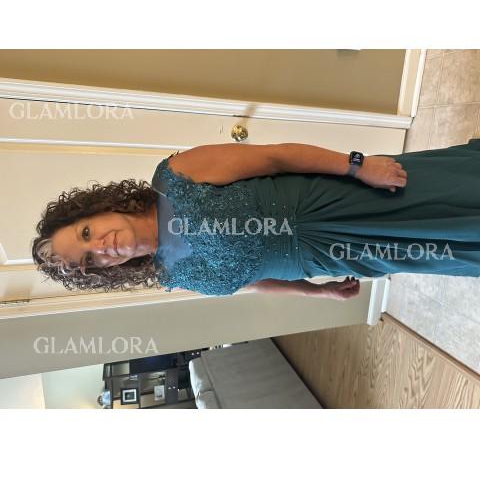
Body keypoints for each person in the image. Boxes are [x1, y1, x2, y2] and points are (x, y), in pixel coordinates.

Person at [32, 139, 480, 301]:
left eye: (86, 233)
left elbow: (274, 156)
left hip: (336, 203)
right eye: (90, 260)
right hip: (333, 256)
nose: (101, 247)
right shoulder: (172, 276)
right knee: (440, 250)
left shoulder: (177, 175)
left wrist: (357, 165)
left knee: (442, 195)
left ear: (98, 208)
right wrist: (315, 291)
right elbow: (252, 281)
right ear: (105, 271)